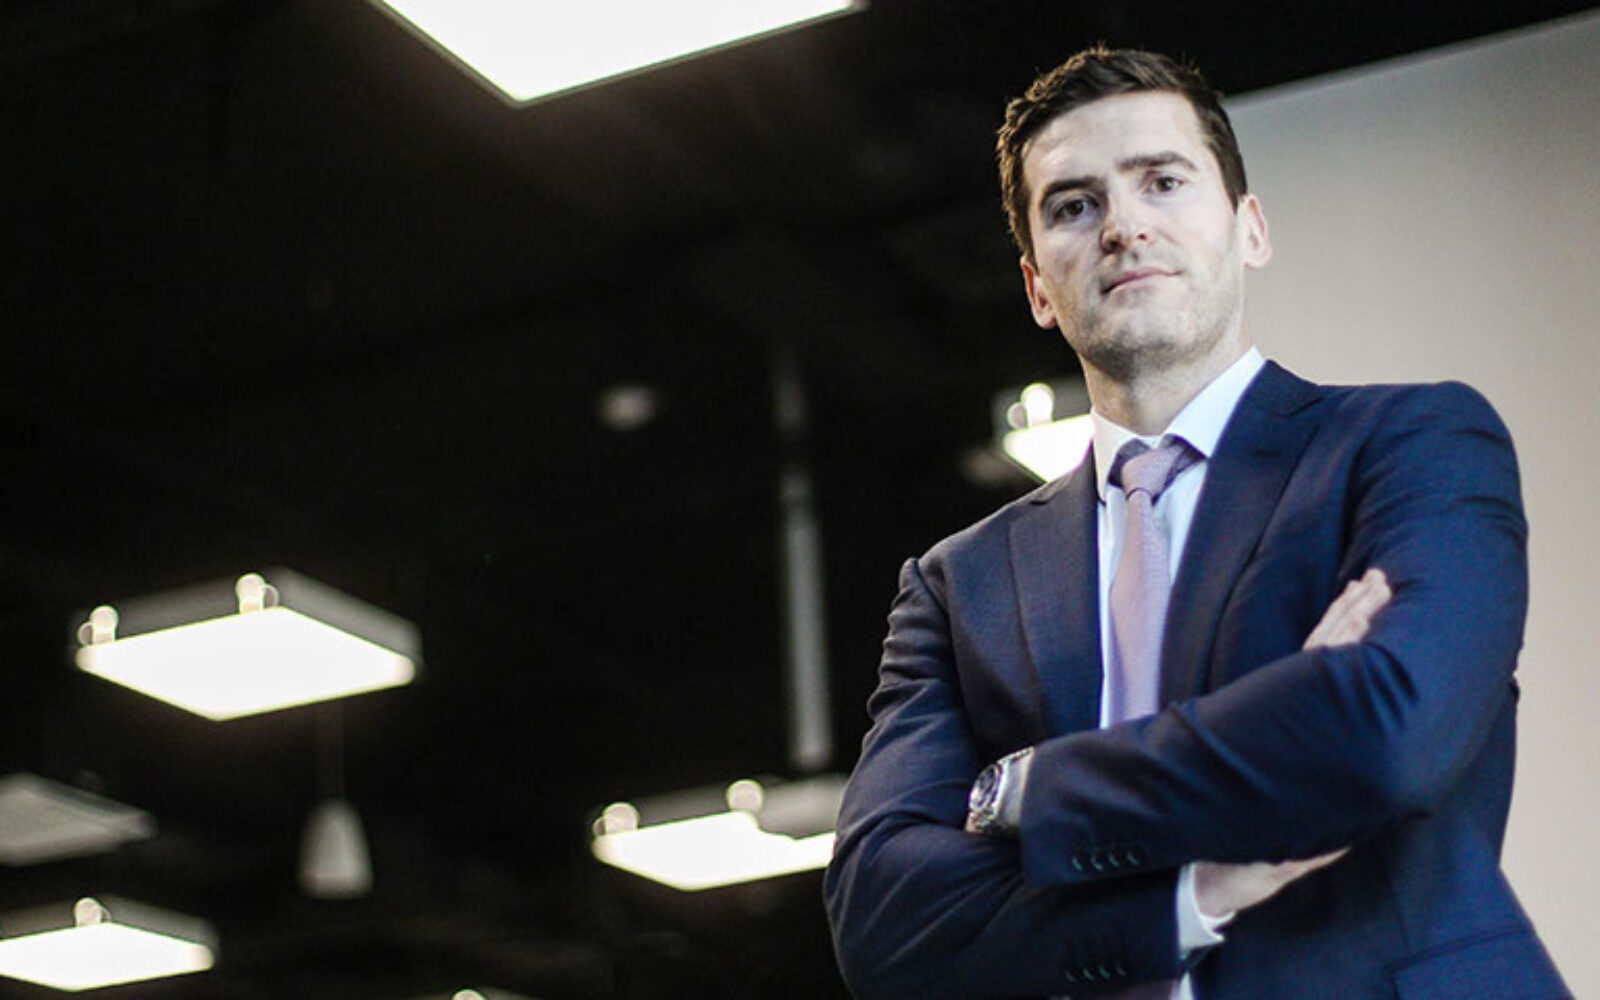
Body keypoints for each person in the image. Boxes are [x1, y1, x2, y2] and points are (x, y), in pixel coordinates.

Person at [823, 46, 1570, 999]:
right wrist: (1194, 891)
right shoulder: (955, 583)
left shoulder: (1411, 444)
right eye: (1074, 205)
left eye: (1163, 182)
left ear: (1249, 228)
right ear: (1037, 289)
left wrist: (1028, 790)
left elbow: (1387, 734)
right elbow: (881, 919)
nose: (1123, 226)